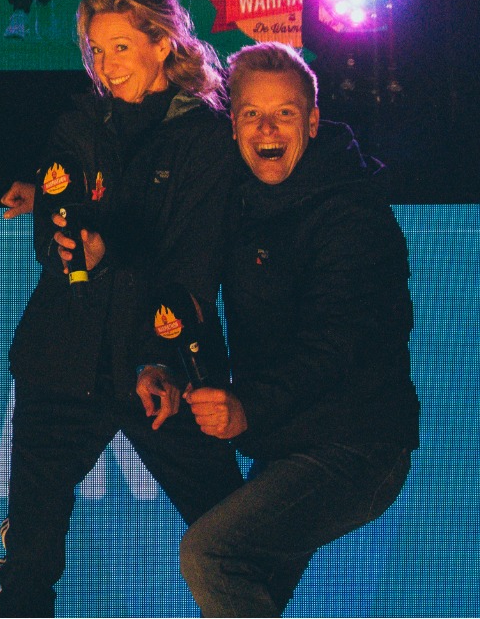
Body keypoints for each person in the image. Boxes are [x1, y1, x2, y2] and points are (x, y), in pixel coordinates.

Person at [0, 0, 245, 618]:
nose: (107, 66)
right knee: (30, 551)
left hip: (162, 363)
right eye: (97, 51)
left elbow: (192, 260)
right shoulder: (79, 126)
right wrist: (72, 251)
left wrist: (160, 356)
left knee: (230, 536)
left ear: (163, 43)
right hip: (62, 360)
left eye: (121, 47)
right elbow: (54, 237)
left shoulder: (206, 137)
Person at [177, 42, 418, 616]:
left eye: (284, 113)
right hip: (289, 439)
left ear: (311, 121)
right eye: (252, 114)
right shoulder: (236, 198)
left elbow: (336, 345)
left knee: (210, 553)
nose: (267, 128)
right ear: (233, 125)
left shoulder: (350, 212)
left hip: (356, 448)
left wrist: (248, 407)